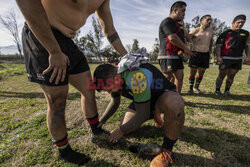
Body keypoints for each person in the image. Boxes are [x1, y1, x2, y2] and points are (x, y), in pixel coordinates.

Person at [16, 0, 127, 165]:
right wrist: (53, 50)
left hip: (68, 40)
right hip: (43, 34)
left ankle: (96, 130)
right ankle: (64, 150)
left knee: (88, 89)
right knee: (57, 100)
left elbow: (109, 30)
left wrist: (128, 57)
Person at [93, 60, 185, 167]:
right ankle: (156, 115)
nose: (109, 93)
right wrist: (102, 121)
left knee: (174, 104)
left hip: (162, 96)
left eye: (108, 89)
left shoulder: (136, 78)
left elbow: (143, 114)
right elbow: (114, 102)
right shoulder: (118, 76)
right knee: (127, 127)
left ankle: (166, 150)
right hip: (143, 102)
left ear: (116, 79)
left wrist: (120, 130)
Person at [158, 1, 194, 94]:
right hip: (167, 55)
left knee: (180, 77)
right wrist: (186, 49)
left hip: (177, 55)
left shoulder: (178, 25)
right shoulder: (167, 21)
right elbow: (172, 38)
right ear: (175, 10)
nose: (184, 14)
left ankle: (177, 97)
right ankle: (159, 99)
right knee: (167, 78)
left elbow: (187, 38)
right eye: (183, 11)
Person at [214, 14, 249, 95]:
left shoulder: (246, 33)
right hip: (226, 58)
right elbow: (218, 46)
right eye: (239, 22)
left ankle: (227, 91)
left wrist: (248, 56)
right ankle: (217, 90)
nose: (240, 24)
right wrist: (218, 57)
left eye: (242, 23)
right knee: (222, 75)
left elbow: (247, 46)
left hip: (238, 58)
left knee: (231, 76)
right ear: (233, 23)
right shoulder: (225, 33)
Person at [187, 15, 214, 94]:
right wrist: (187, 51)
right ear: (201, 21)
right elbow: (186, 40)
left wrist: (211, 51)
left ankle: (196, 87)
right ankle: (190, 88)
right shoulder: (195, 30)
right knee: (193, 72)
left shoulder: (211, 31)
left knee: (201, 72)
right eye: (207, 20)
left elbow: (211, 42)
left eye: (210, 20)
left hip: (205, 54)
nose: (209, 21)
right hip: (196, 53)